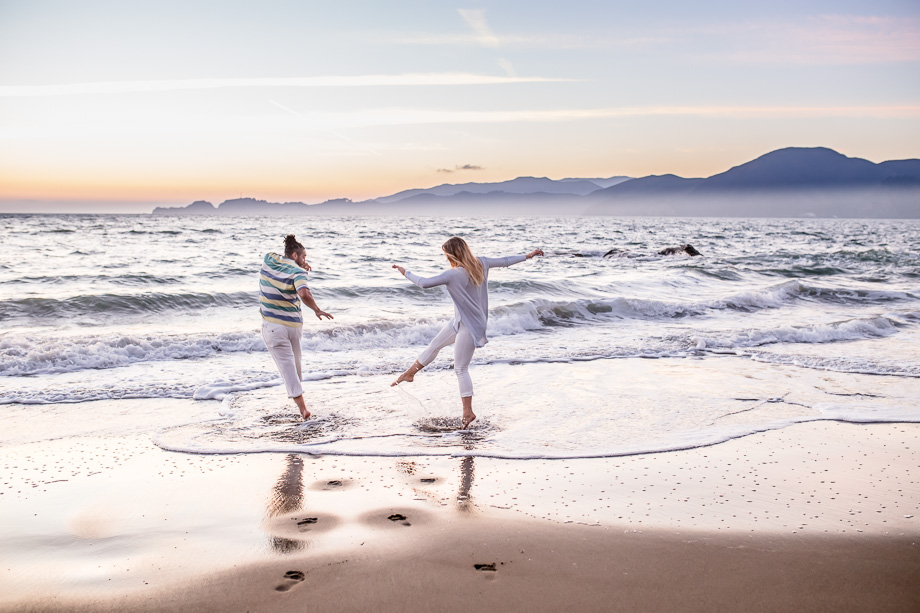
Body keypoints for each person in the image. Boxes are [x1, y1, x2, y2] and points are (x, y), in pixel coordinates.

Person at [391, 237, 544, 429]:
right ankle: (409, 373)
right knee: (435, 345)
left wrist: (405, 271)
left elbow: (423, 283)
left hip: (469, 326)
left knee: (461, 369)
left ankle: (468, 412)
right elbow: (505, 261)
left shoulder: (453, 274)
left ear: (451, 255)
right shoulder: (481, 263)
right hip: (460, 321)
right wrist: (528, 255)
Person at [260, 234, 333, 420]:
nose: (305, 261)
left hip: (274, 327)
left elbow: (282, 262)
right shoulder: (298, 272)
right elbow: (303, 293)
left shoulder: (269, 258)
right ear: (294, 255)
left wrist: (299, 265)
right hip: (293, 326)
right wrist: (317, 310)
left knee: (287, 368)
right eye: (304, 257)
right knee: (295, 368)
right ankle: (300, 405)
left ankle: (303, 409)